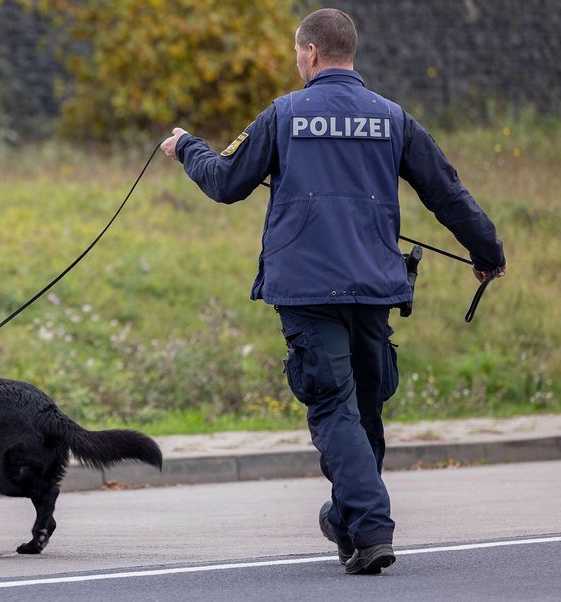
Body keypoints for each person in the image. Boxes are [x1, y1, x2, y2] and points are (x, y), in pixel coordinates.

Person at [160, 7, 506, 575]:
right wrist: (488, 254)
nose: (298, 62)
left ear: (312, 53)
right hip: (372, 286)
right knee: (364, 406)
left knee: (335, 407)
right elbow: (448, 193)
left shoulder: (284, 114)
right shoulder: (392, 118)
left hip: (306, 289)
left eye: (299, 54)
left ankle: (369, 525)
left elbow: (225, 182)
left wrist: (188, 146)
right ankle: (349, 520)